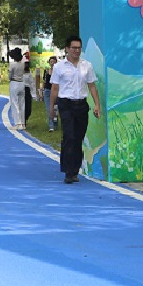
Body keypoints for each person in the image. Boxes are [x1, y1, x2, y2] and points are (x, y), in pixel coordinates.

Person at [47, 35, 101, 184]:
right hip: (66, 105)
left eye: (78, 48)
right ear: (67, 49)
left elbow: (92, 86)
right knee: (69, 136)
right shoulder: (59, 67)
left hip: (81, 105)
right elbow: (54, 89)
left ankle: (75, 170)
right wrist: (51, 108)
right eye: (73, 48)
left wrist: (97, 105)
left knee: (78, 138)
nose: (76, 51)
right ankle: (68, 171)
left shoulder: (87, 66)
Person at [7, 47, 29, 131]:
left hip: (14, 83)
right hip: (21, 83)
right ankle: (23, 123)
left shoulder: (12, 64)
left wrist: (10, 77)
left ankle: (17, 123)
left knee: (14, 103)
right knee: (22, 104)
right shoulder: (23, 64)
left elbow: (9, 76)